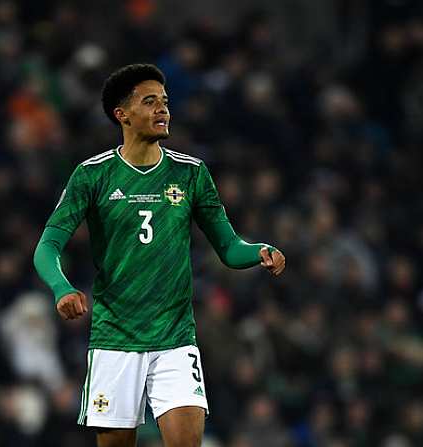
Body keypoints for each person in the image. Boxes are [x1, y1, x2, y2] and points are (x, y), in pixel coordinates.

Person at [33, 63, 286, 447]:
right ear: (122, 115)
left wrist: (259, 251)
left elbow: (229, 247)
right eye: (149, 102)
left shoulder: (191, 173)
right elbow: (47, 246)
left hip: (175, 338)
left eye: (164, 102)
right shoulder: (92, 175)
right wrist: (61, 288)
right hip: (116, 337)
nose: (162, 109)